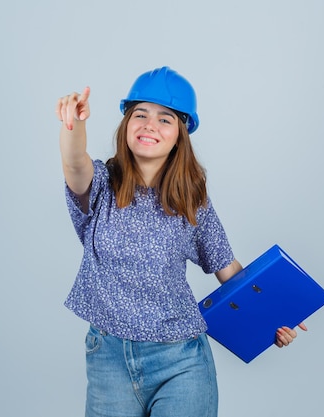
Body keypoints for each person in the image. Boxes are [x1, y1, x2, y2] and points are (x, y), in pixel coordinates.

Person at [55, 66, 307, 417]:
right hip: (109, 358)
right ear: (126, 123)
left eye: (165, 119)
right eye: (140, 114)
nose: (149, 125)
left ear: (180, 135)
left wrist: (274, 318)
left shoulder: (191, 200)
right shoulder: (101, 187)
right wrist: (75, 125)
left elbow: (228, 269)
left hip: (181, 361)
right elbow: (74, 164)